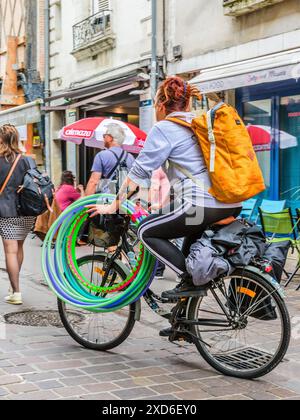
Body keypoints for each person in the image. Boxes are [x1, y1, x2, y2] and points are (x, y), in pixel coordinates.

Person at [86, 76, 242, 302]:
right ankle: (184, 322)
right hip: (229, 202)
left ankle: (192, 281)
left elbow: (137, 175)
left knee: (146, 231)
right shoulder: (199, 123)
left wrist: (113, 205)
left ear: (160, 106)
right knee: (189, 253)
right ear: (187, 104)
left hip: (200, 205)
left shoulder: (165, 128)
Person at [0, 124, 36, 305]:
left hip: (6, 211)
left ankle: (16, 291)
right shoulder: (28, 160)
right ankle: (14, 284)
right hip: (27, 210)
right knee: (19, 248)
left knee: (10, 251)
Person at [85, 123, 135, 196]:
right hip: (125, 201)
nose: (103, 139)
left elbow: (93, 182)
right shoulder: (130, 157)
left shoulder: (101, 156)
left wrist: (85, 203)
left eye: (104, 136)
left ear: (109, 138)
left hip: (107, 201)